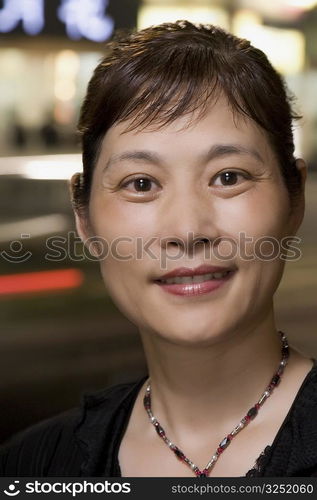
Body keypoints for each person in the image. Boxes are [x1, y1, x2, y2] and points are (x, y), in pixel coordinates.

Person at [1, 20, 317, 478]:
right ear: (84, 218)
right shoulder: (32, 467)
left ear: (295, 200)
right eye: (141, 184)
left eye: (228, 177)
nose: (187, 230)